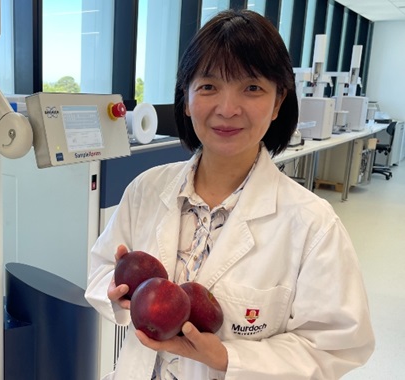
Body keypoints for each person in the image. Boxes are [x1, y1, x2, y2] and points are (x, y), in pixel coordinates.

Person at [84, 9, 374, 380]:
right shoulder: (146, 189)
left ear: (278, 102)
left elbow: (337, 346)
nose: (227, 109)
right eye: (208, 86)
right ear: (186, 99)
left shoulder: (312, 225)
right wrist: (117, 291)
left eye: (252, 88)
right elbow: (101, 270)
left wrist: (228, 358)